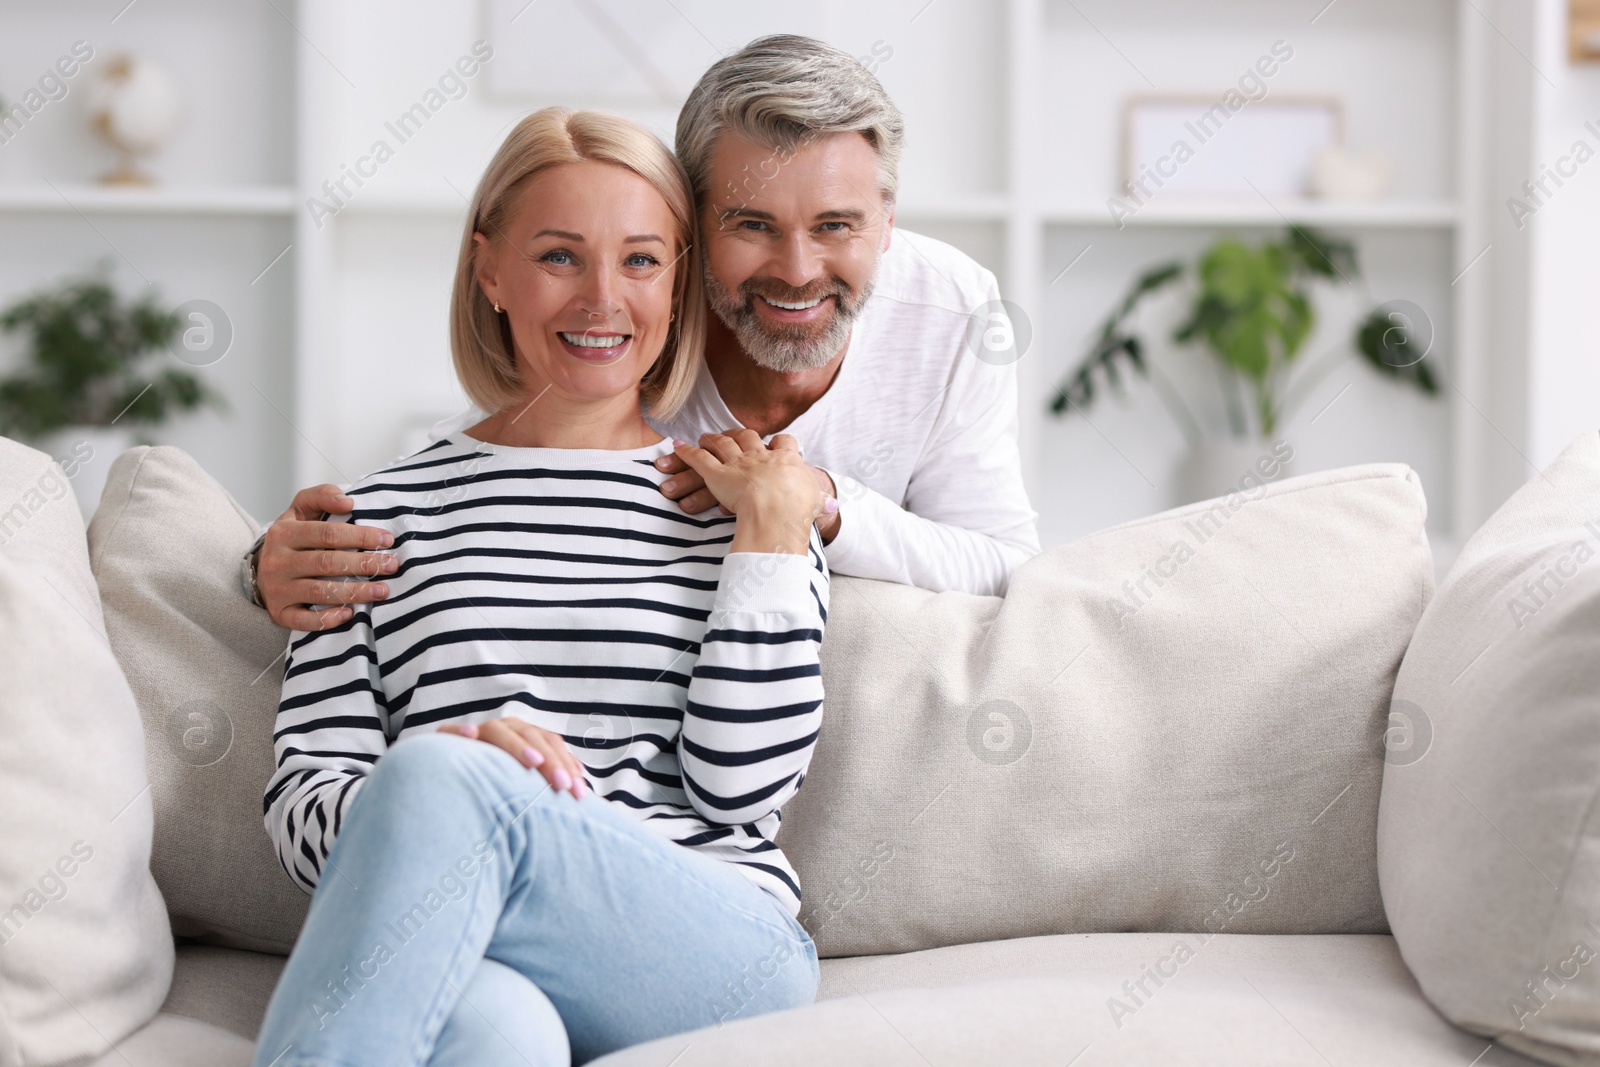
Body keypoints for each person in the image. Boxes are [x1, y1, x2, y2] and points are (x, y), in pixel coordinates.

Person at [252, 107, 828, 1067]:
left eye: (641, 260)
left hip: (719, 948)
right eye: (561, 256)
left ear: (677, 278)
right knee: (491, 1031)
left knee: (444, 779)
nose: (604, 298)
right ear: (489, 270)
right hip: (476, 940)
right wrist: (445, 779)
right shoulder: (361, 524)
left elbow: (742, 790)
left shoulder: (747, 505)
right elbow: (305, 811)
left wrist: (771, 534)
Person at [243, 35, 1039, 631]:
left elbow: (1007, 569)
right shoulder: (632, 316)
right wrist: (268, 568)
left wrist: (821, 503)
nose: (797, 270)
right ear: (690, 221)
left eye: (837, 225)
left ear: (888, 221)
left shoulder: (955, 307)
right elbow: (491, 478)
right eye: (752, 224)